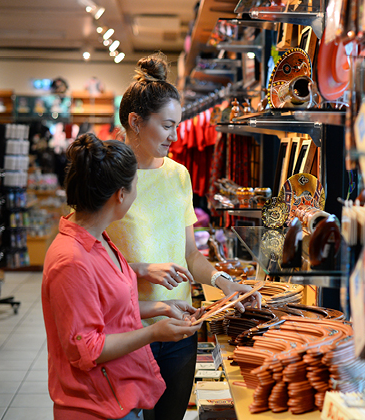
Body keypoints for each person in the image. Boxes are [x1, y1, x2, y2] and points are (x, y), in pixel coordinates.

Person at [106, 53, 261, 420]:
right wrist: (140, 268)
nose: (175, 137)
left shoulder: (178, 175)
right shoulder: (107, 177)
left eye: (178, 126)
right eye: (167, 126)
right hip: (128, 331)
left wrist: (224, 282)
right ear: (135, 122)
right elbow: (88, 256)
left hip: (180, 328)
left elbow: (191, 254)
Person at [42, 134, 202, 420]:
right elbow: (87, 349)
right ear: (121, 194)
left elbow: (106, 311)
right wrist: (154, 332)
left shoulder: (100, 239)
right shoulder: (72, 259)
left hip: (117, 393)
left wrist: (164, 308)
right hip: (94, 404)